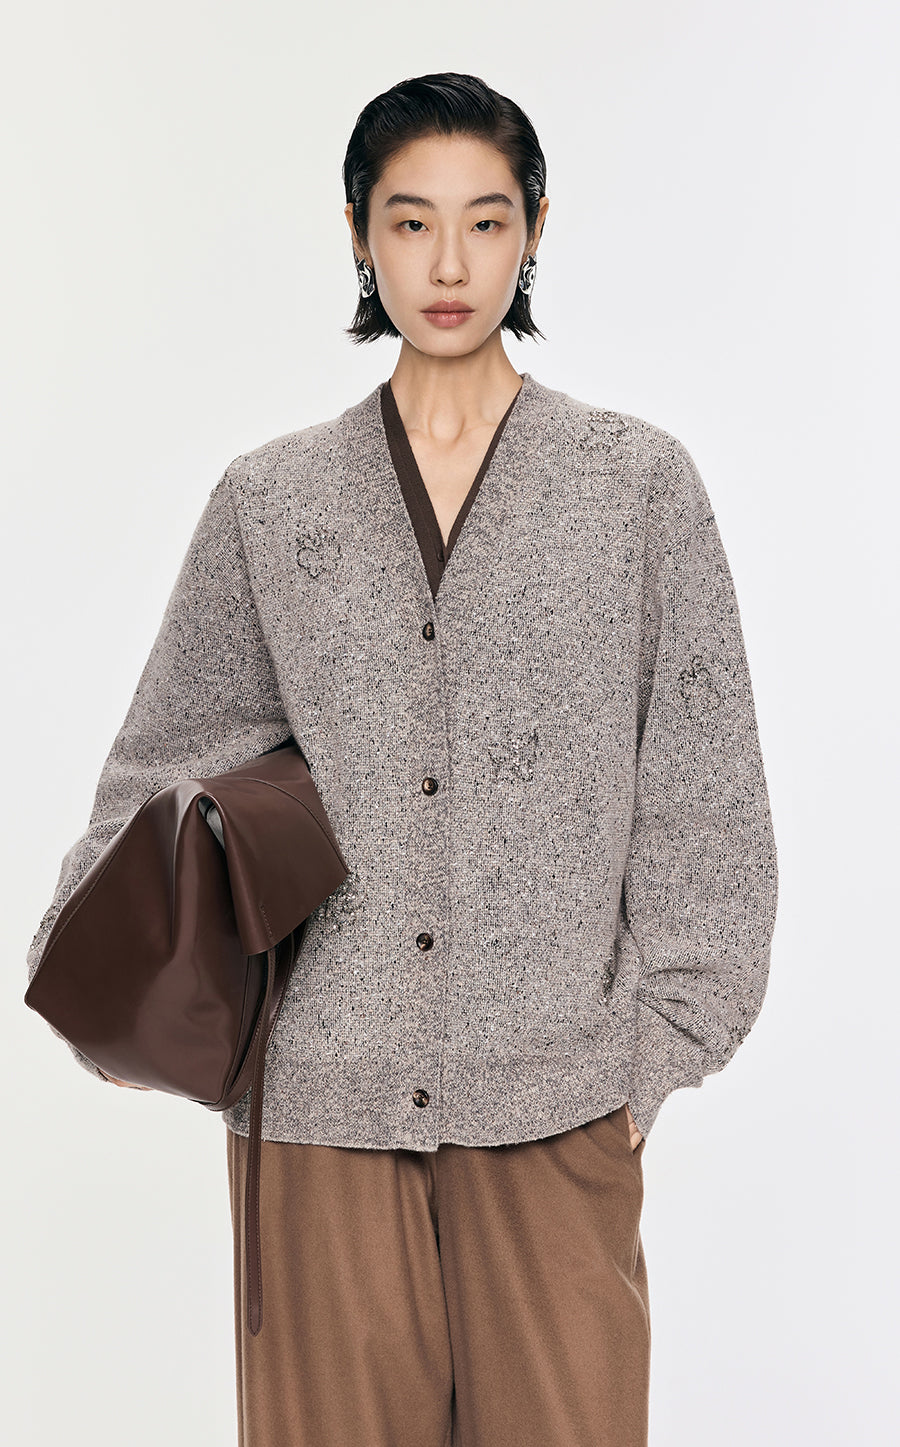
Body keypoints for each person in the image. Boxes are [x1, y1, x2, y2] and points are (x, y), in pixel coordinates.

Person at [26, 71, 779, 1447]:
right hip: (319, 1109)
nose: (448, 265)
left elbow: (705, 793)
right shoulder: (271, 501)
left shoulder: (636, 489)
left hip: (559, 1103)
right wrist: (102, 980)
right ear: (359, 235)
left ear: (535, 229)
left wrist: (651, 1057)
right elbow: (159, 763)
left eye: (486, 223)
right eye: (411, 222)